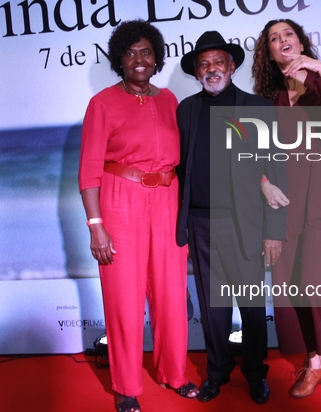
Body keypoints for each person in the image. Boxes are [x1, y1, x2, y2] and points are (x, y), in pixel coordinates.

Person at [78, 20, 197, 412]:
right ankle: (127, 386)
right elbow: (89, 172)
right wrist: (97, 227)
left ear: (157, 57)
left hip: (167, 203)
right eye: (130, 53)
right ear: (119, 60)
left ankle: (174, 373)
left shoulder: (169, 102)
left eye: (146, 52)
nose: (139, 59)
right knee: (123, 298)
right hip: (120, 201)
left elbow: (184, 164)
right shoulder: (102, 104)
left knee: (170, 295)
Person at [176, 30, 287, 404]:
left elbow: (276, 168)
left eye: (218, 62)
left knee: (252, 306)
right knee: (212, 308)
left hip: (247, 223)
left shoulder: (259, 108)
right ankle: (218, 372)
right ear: (195, 71)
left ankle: (256, 373)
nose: (211, 69)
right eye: (203, 64)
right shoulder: (185, 109)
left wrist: (274, 231)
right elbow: (181, 169)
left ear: (232, 66)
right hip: (201, 225)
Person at [251, 19, 321, 398]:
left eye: (288, 35)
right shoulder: (266, 94)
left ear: (301, 42)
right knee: (285, 282)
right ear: (268, 51)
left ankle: (316, 363)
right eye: (274, 39)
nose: (282, 41)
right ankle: (313, 350)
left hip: (320, 194)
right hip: (280, 200)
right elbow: (257, 152)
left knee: (314, 279)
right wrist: (262, 184)